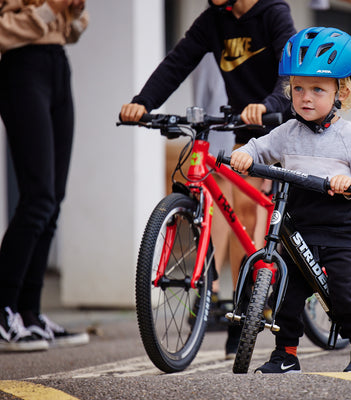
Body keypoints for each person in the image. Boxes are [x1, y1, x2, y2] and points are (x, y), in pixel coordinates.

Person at [120, 0, 296, 359]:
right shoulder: (214, 21)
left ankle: (250, 300)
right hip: (244, 127)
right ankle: (238, 304)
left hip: (280, 122)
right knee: (235, 210)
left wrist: (271, 102)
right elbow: (178, 61)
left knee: (248, 208)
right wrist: (143, 102)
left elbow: (289, 69)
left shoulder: (273, 12)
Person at [230, 26, 351, 373]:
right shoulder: (287, 133)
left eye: (317, 89)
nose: (305, 97)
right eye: (298, 88)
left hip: (341, 234)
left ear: (342, 92)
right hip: (299, 230)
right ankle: (286, 354)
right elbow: (260, 146)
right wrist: (245, 153)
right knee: (286, 298)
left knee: (347, 297)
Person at [0, 0, 90, 352]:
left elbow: (72, 33)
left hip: (57, 66)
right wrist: (51, 9)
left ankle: (30, 313)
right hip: (22, 68)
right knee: (37, 198)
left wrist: (75, 13)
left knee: (53, 201)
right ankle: (4, 308)